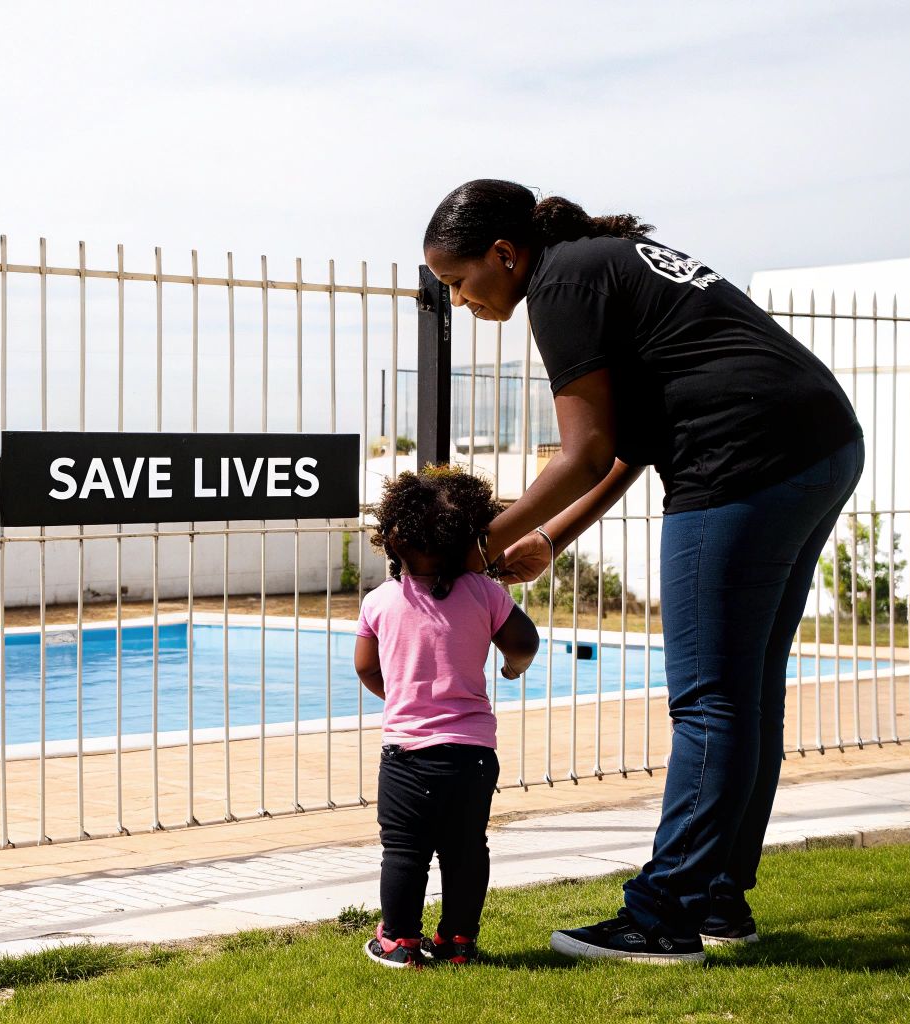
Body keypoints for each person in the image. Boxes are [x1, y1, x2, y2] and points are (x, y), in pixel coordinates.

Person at [422, 179, 864, 964]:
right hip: (820, 443)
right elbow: (627, 445)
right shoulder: (601, 263)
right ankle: (717, 895)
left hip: (741, 460)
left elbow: (583, 451)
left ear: (504, 254)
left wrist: (479, 546)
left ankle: (663, 914)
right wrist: (550, 539)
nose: (459, 301)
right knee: (747, 688)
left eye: (458, 283)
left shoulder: (559, 284)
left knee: (709, 700)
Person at [355, 465, 539, 968]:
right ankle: (458, 942)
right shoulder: (484, 592)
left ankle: (398, 941)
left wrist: (400, 698)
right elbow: (524, 641)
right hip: (473, 756)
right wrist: (511, 667)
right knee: (464, 850)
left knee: (405, 851)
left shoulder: (379, 602)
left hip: (408, 755)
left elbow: (366, 668)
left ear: (394, 540)